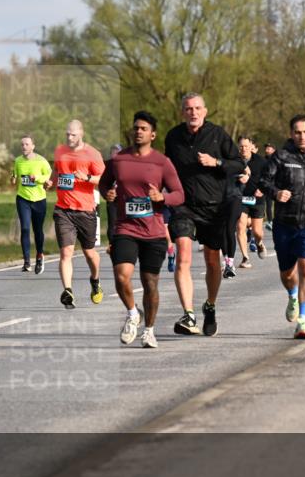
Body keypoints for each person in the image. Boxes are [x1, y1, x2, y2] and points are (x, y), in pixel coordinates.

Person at [99, 111, 185, 348]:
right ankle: (132, 313)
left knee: (150, 283)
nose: (138, 131)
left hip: (153, 231)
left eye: (144, 128)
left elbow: (179, 194)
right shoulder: (119, 160)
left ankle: (149, 330)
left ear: (153, 134)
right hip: (126, 228)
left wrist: (162, 197)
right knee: (121, 275)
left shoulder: (162, 162)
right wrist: (107, 193)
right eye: (136, 128)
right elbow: (104, 182)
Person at [164, 92, 245, 337]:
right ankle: (188, 315)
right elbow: (165, 169)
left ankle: (210, 305)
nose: (193, 112)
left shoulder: (218, 134)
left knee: (212, 260)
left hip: (213, 206)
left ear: (205, 111)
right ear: (182, 112)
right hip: (183, 206)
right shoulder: (173, 137)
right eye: (188, 109)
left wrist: (217, 162)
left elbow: (239, 164)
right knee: (183, 256)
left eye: (197, 108)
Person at [258, 114, 305, 340]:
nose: (302, 136)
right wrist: (276, 193)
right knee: (287, 273)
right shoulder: (281, 157)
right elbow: (263, 181)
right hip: (285, 223)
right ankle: (292, 295)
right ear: (291, 134)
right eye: (297, 132)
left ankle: (303, 321)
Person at [45, 120, 105, 309]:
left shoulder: (92, 154)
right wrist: (50, 182)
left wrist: (86, 177)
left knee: (89, 253)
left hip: (86, 211)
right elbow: (57, 171)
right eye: (67, 134)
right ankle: (68, 291)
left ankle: (95, 281)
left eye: (72, 134)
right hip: (63, 210)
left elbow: (103, 179)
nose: (69, 138)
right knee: (66, 252)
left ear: (81, 134)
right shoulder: (60, 151)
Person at [11, 134, 51, 273]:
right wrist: (13, 178)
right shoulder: (17, 161)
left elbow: (48, 176)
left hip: (39, 199)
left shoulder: (42, 161)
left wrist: (38, 178)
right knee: (25, 228)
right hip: (23, 199)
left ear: (33, 146)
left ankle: (39, 255)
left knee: (38, 230)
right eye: (22, 144)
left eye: (27, 144)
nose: (24, 147)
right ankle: (27, 261)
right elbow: (14, 175)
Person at [235, 135, 268, 265]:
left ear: (251, 147)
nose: (244, 149)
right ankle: (245, 257)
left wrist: (262, 189)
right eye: (241, 146)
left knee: (257, 232)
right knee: (240, 226)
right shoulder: (234, 161)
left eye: (246, 146)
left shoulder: (261, 161)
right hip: (240, 198)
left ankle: (259, 243)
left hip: (257, 199)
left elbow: (268, 179)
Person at [263, 143, 277, 229]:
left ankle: (274, 221)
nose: (267, 150)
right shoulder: (262, 159)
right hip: (264, 184)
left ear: (273, 150)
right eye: (266, 148)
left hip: (274, 185)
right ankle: (270, 221)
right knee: (265, 204)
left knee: (271, 204)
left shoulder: (276, 159)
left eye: (269, 148)